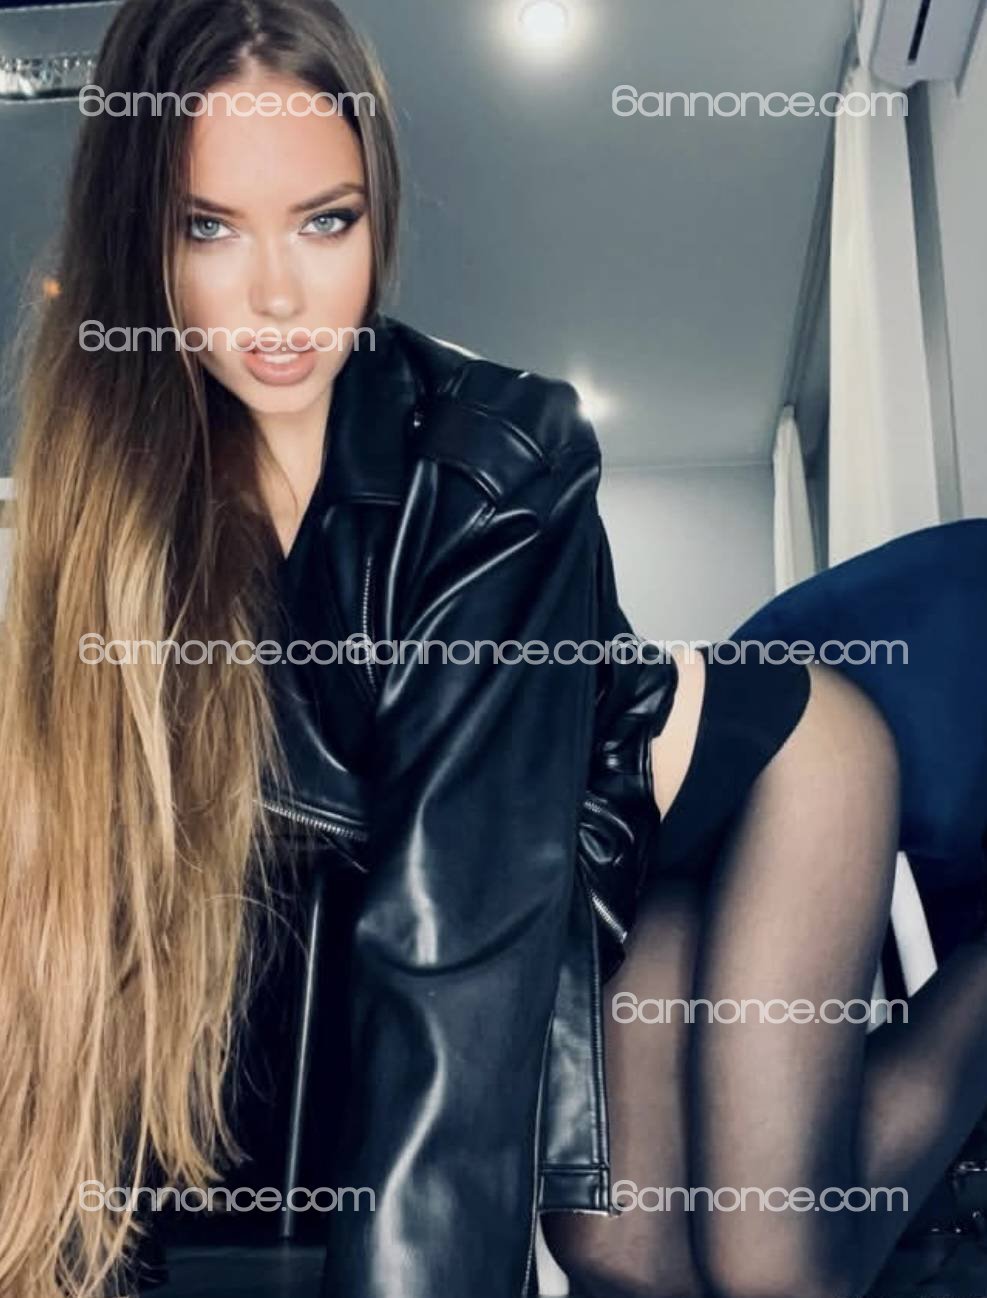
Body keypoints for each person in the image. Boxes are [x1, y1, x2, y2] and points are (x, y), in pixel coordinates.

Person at [0, 4, 984, 1298]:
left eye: (326, 221)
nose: (280, 296)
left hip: (778, 773)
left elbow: (448, 944)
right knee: (620, 1249)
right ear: (142, 238)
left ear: (378, 211)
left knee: (771, 1262)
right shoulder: (130, 522)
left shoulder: (487, 459)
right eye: (210, 227)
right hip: (614, 849)